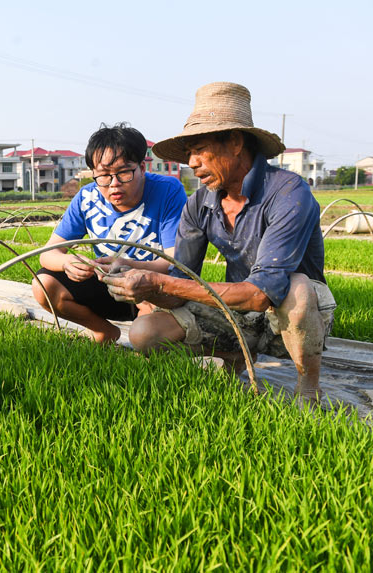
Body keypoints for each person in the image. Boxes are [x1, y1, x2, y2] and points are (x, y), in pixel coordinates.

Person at [101, 82, 336, 403]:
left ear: (236, 142)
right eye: (189, 154)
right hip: (240, 308)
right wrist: (149, 288)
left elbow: (263, 292)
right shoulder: (200, 204)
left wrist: (160, 281)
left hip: (294, 315)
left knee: (295, 286)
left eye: (200, 150)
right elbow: (184, 283)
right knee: (144, 333)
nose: (192, 162)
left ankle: (308, 387)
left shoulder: (287, 192)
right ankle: (236, 357)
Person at [32, 123, 187, 343]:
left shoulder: (168, 191)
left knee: (144, 338)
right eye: (104, 176)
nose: (114, 185)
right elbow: (47, 254)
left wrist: (129, 265)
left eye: (124, 173)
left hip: (151, 288)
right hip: (107, 283)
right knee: (44, 285)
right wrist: (68, 262)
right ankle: (103, 331)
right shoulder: (87, 198)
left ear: (142, 168)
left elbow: (174, 263)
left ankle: (145, 332)